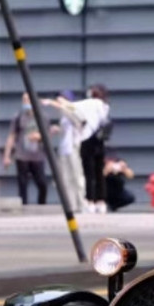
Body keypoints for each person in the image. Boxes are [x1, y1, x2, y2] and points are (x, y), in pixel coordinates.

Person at [57, 84, 111, 213]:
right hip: (100, 140)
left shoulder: (90, 103)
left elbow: (73, 107)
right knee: (99, 172)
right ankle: (101, 201)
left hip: (87, 140)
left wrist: (58, 102)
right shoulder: (105, 106)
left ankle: (90, 200)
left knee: (88, 173)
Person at [43, 91, 87, 213]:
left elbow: (75, 118)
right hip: (64, 149)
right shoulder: (63, 116)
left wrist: (54, 103)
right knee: (65, 178)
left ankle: (81, 203)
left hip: (73, 148)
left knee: (76, 176)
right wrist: (57, 129)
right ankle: (71, 205)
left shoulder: (73, 111)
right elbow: (66, 129)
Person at [3, 93, 47, 205]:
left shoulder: (42, 117)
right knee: (22, 184)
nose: (26, 102)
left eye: (28, 100)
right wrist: (6, 156)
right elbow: (12, 136)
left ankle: (41, 205)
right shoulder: (18, 117)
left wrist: (39, 136)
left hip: (37, 155)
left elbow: (47, 134)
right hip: (22, 155)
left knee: (42, 183)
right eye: (24, 100)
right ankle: (24, 207)